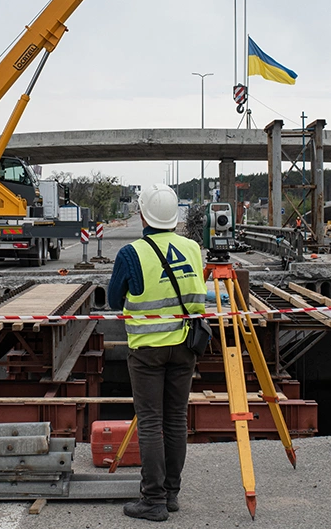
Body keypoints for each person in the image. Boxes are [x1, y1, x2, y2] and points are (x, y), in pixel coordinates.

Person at [108, 184, 207, 522]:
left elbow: (113, 299)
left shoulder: (131, 253)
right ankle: (172, 493)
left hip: (149, 350)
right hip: (185, 346)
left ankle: (153, 500)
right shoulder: (193, 247)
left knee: (151, 421)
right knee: (176, 419)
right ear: (174, 217)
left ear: (141, 214)